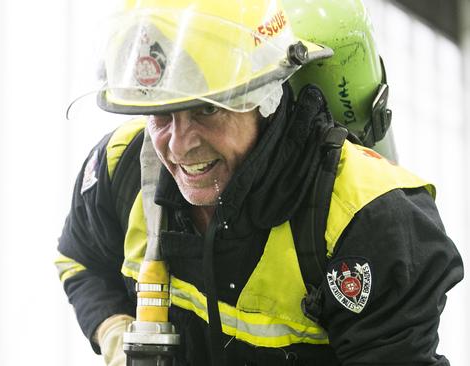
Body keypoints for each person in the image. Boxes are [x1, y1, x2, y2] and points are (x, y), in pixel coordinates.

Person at [55, 0, 463, 365]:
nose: (179, 146)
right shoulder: (123, 165)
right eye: (163, 113)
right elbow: (80, 260)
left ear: (265, 99)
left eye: (205, 110)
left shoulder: (368, 219)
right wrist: (114, 332)